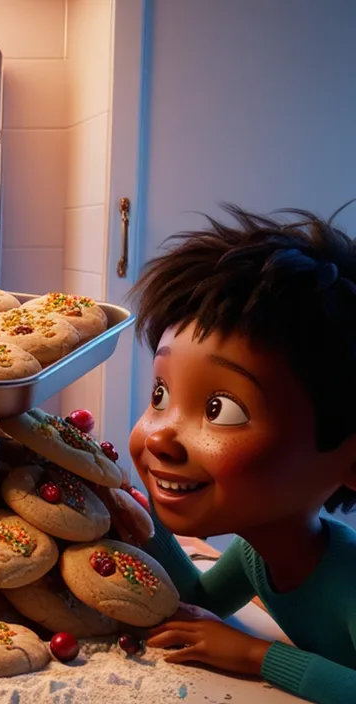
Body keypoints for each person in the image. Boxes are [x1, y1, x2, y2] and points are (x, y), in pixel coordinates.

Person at [125, 204, 356, 704]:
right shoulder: (258, 552)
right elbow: (199, 599)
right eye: (160, 395)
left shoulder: (347, 577)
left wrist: (255, 655)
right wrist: (141, 518)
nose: (161, 436)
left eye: (220, 408)